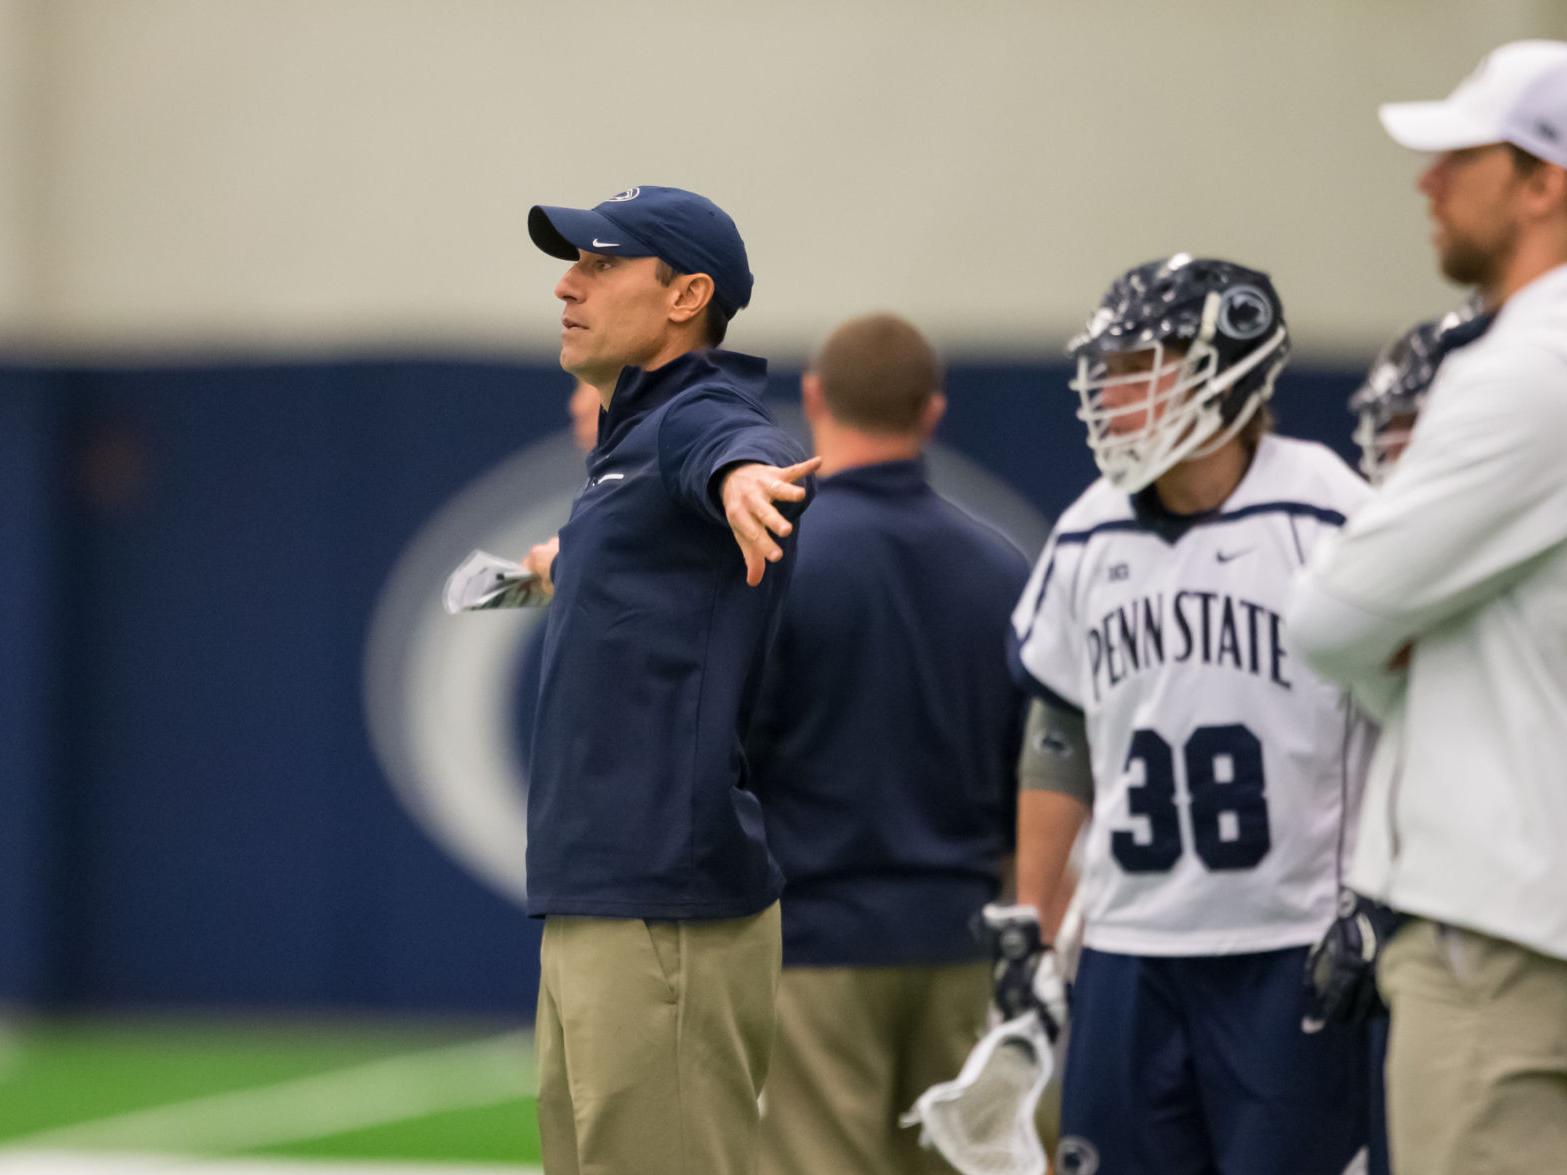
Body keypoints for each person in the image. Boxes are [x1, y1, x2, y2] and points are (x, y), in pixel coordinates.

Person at [1008, 254, 1374, 1175]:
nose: (1114, 393)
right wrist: (1030, 917)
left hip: (1291, 942)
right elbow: (1058, 739)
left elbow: (1405, 722)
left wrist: (1380, 897)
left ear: (1229, 369)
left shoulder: (1327, 512)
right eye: (1111, 370)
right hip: (1129, 944)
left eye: (1142, 368)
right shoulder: (1089, 528)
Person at [1289, 40, 1567, 1175]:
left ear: (1545, 181)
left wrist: (1396, 653)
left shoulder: (1529, 364)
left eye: (1464, 157)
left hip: (1502, 932)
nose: (1428, 182)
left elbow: (1329, 615)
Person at [518, 184, 820, 1175]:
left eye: (601, 263)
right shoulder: (627, 445)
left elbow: (735, 444)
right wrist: (567, 564)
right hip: (602, 896)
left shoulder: (698, 415)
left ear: (687, 293)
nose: (570, 284)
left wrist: (740, 475)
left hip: (664, 910)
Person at [745, 313, 1029, 1175]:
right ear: (931, 411)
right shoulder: (1003, 567)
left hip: (815, 946)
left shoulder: (781, 554)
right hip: (959, 943)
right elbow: (1042, 769)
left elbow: (733, 749)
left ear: (813, 396)